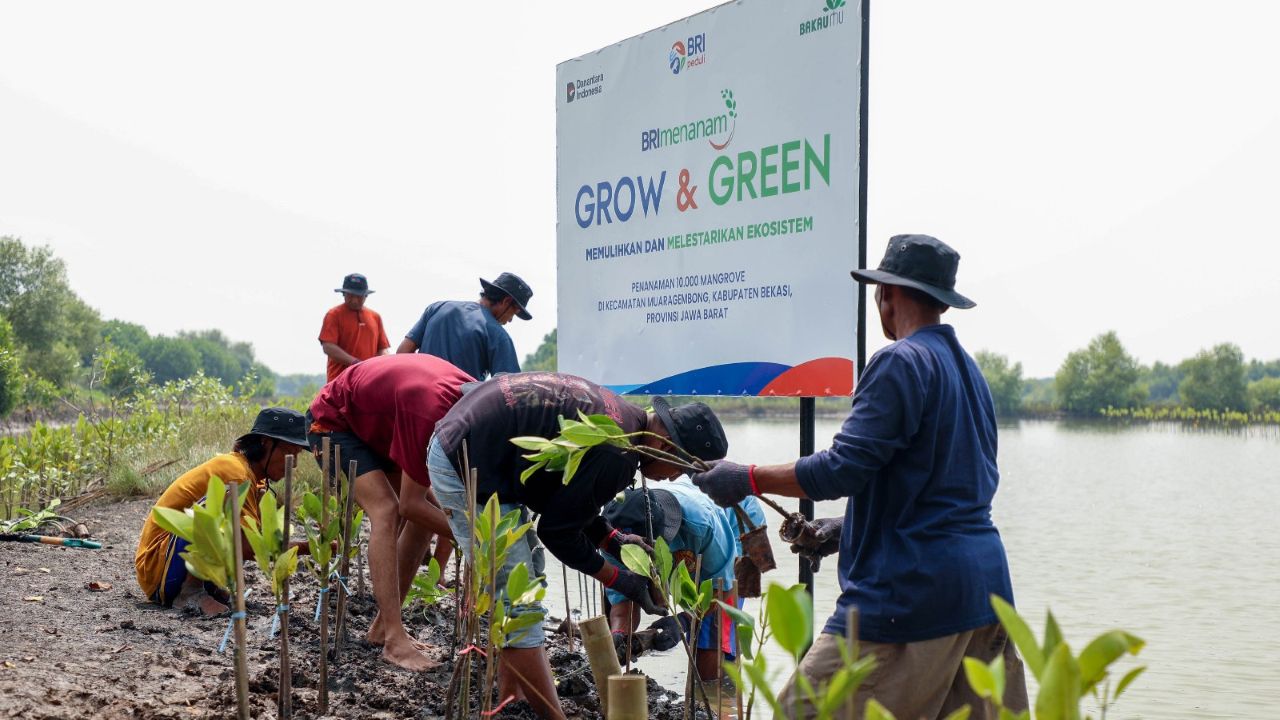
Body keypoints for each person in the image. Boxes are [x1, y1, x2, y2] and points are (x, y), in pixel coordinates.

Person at [692, 234, 1029, 719]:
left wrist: (746, 477)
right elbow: (948, 491)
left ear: (887, 294)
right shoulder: (970, 373)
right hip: (985, 593)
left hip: (909, 595)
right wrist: (846, 528)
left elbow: (841, 468)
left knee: (802, 712)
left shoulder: (899, 361)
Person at [427, 373, 727, 720]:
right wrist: (618, 579)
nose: (673, 478)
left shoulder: (625, 421)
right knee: (517, 599)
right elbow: (557, 533)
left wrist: (613, 539)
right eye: (679, 468)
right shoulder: (617, 454)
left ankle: (513, 695)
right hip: (464, 460)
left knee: (527, 574)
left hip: (484, 450)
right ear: (663, 445)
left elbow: (568, 505)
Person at [306, 353, 472, 672]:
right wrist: (473, 539)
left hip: (377, 428)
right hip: (332, 422)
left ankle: (382, 628)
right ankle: (395, 641)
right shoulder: (429, 411)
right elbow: (410, 504)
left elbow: (423, 506)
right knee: (388, 510)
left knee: (424, 516)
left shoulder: (464, 399)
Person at [135, 408, 311, 615]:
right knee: (221, 503)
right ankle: (189, 592)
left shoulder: (250, 476)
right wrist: (309, 547)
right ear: (265, 443)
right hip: (159, 569)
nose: (294, 464)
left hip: (172, 563)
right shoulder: (236, 475)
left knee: (245, 517)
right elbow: (248, 547)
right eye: (289, 453)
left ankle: (206, 585)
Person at [600, 482, 740, 681]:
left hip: (728, 525)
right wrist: (619, 633)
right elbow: (623, 604)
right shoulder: (612, 540)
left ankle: (723, 701)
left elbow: (723, 590)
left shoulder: (701, 524)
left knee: (709, 656)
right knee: (653, 602)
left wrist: (683, 621)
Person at [395, 272, 533, 380]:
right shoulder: (497, 335)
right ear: (506, 301)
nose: (510, 321)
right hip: (457, 411)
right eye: (513, 313)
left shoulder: (437, 308)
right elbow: (510, 392)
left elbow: (402, 353)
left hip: (415, 403)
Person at [320, 272, 390, 382]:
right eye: (350, 295)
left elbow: (382, 349)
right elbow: (328, 346)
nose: (354, 300)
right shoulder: (334, 315)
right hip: (339, 381)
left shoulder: (375, 317)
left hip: (367, 380)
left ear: (366, 295)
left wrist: (384, 364)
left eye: (359, 296)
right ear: (343, 294)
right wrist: (355, 363)